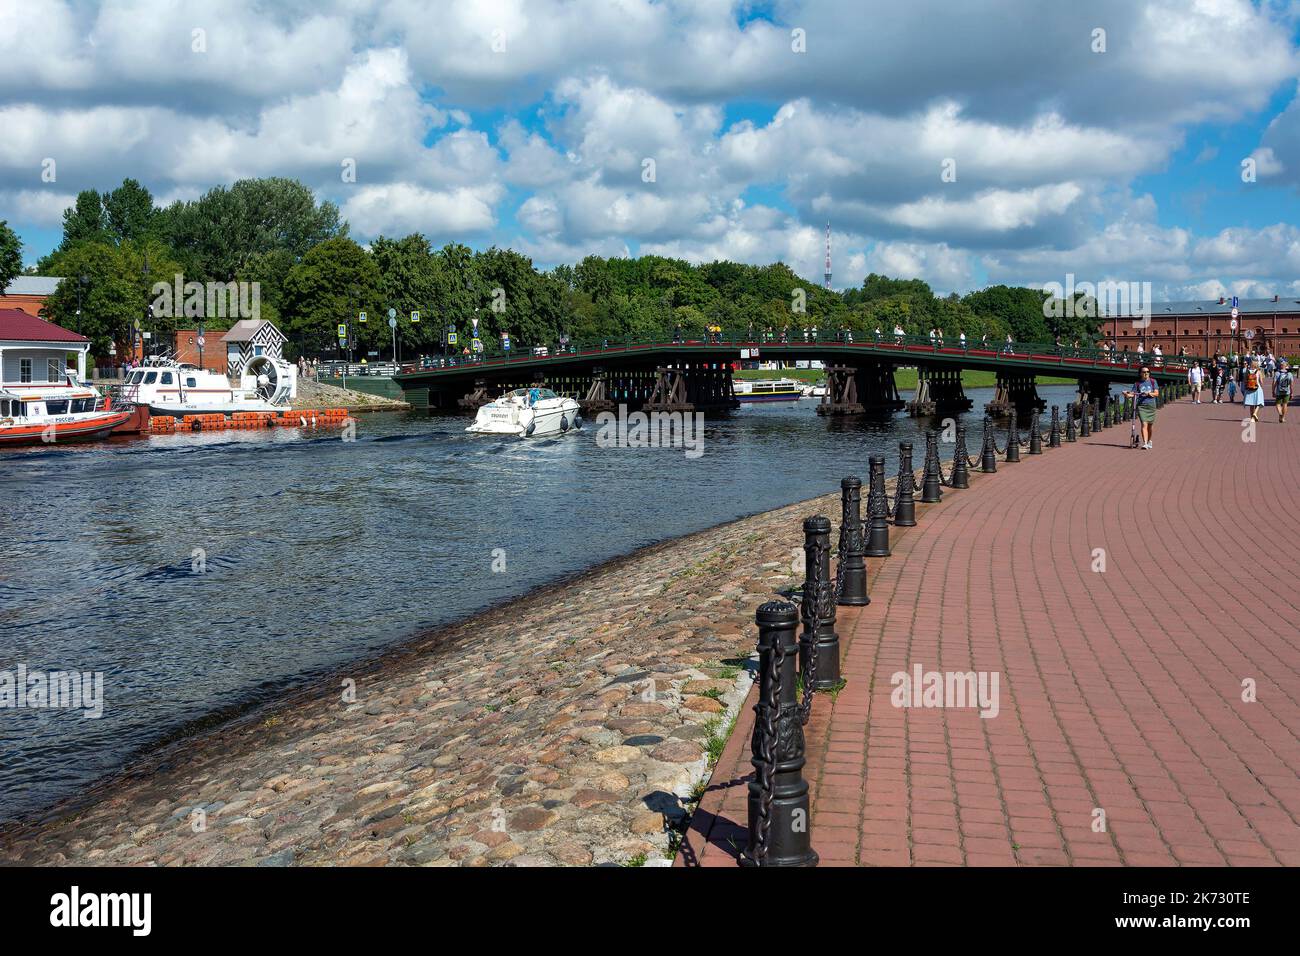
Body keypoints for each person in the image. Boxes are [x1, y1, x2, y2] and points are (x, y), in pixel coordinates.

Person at [1124, 366, 1159, 449]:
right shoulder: (1137, 384)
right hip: (1141, 406)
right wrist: (1126, 394)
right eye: (1144, 372)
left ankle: (1149, 441)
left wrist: (1149, 393)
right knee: (1144, 424)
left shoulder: (1153, 382)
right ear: (1140, 373)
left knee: (1150, 426)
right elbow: (1132, 394)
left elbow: (1156, 393)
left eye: (1147, 372)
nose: (1146, 373)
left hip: (1151, 406)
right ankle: (1145, 443)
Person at [1243, 357, 1265, 422]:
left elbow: (1245, 381)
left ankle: (1252, 418)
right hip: (1257, 388)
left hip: (1249, 389)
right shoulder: (1258, 371)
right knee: (1259, 403)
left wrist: (1245, 387)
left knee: (1251, 404)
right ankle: (1255, 413)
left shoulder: (1247, 371)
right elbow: (1261, 381)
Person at [1273, 359, 1292, 423]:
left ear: (1280, 366)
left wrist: (1273, 391)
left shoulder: (1277, 373)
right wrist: (1291, 392)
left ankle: (1280, 414)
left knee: (1278, 404)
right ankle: (1283, 418)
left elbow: (1274, 383)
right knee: (1285, 404)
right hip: (1287, 391)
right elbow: (1291, 384)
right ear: (1286, 366)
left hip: (1279, 391)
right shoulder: (1289, 374)